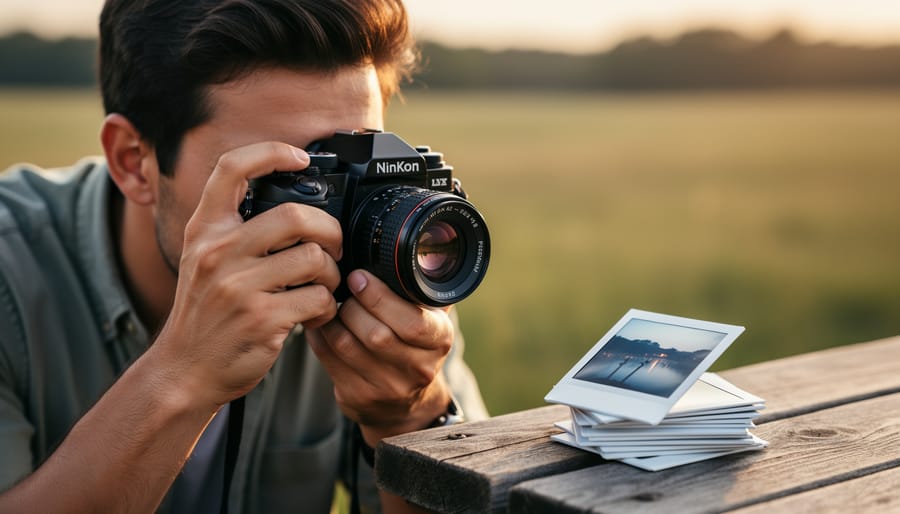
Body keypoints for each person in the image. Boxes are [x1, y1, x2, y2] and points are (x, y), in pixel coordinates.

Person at [0, 1, 488, 512]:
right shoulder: (14, 273)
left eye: (351, 167)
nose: (326, 224)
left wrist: (410, 419)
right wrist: (181, 375)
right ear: (134, 162)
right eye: (289, 179)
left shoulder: (377, 288)